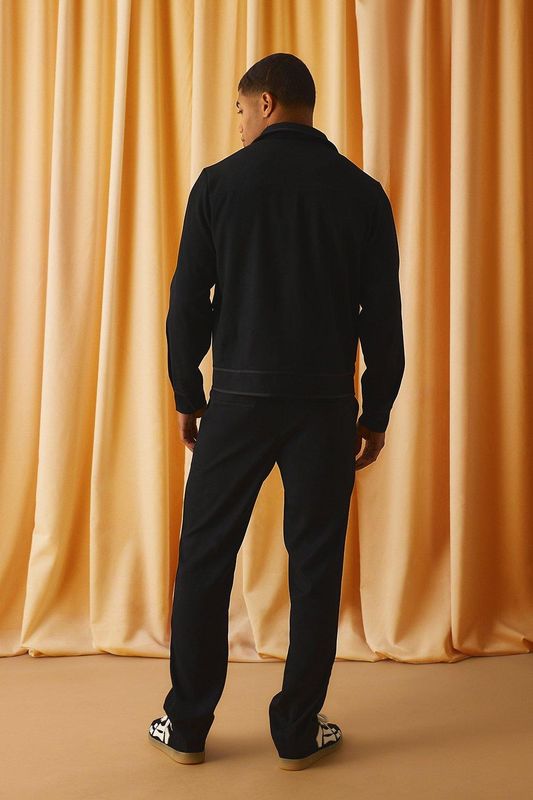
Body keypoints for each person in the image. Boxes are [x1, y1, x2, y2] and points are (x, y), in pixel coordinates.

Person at [148, 52, 405, 770]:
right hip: (324, 405)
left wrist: (187, 393)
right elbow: (382, 317)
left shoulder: (218, 184)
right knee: (315, 564)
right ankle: (296, 731)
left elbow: (186, 302)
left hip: (237, 399)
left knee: (205, 556)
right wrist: (376, 410)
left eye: (239, 109)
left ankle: (187, 725)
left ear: (265, 103)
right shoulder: (362, 194)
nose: (237, 123)